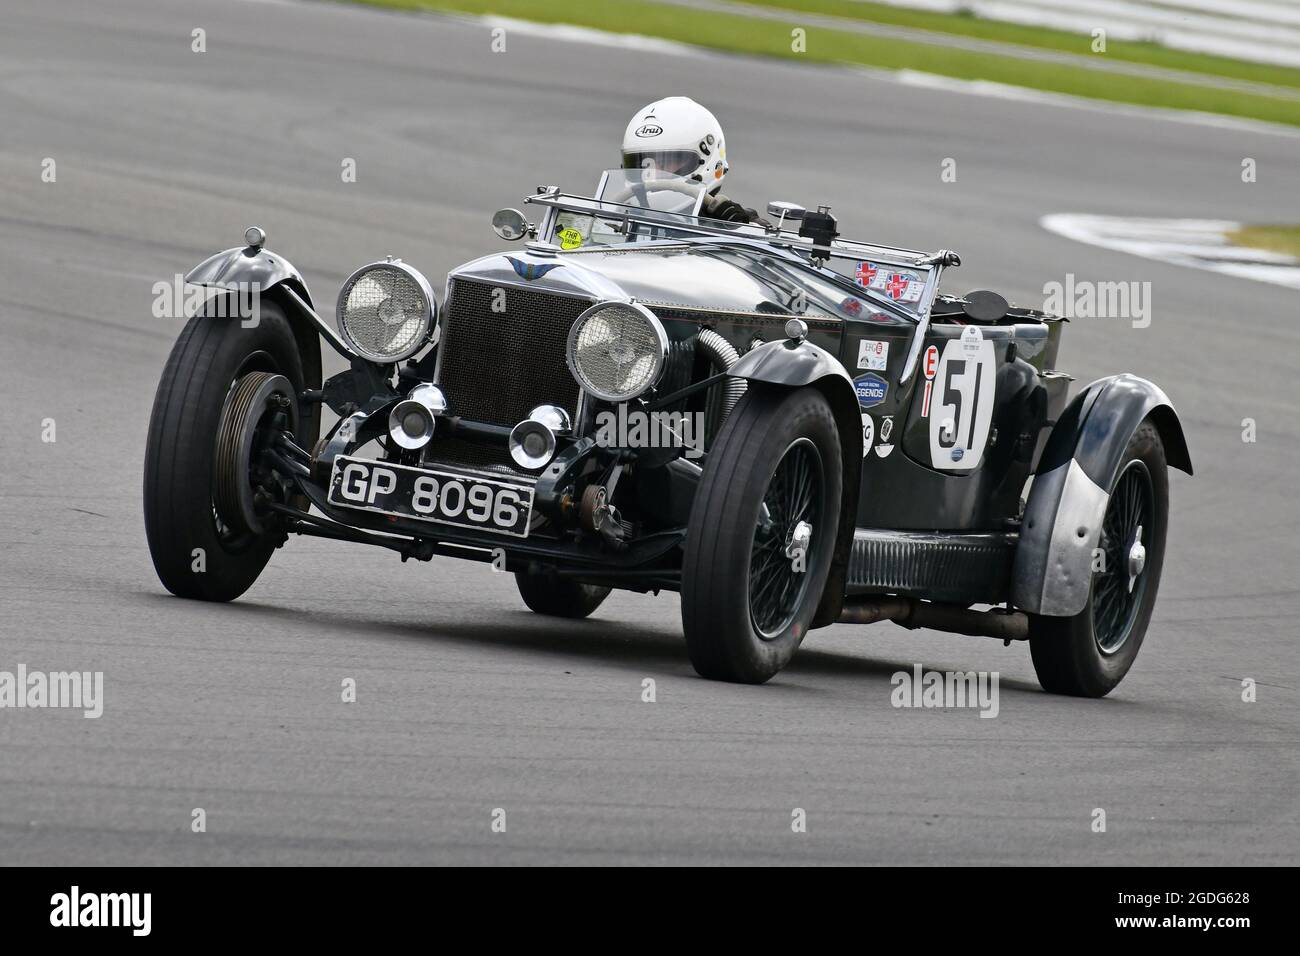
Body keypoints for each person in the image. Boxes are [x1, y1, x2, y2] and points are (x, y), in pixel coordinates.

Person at [621, 96, 764, 224]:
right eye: (641, 164)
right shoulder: (611, 218)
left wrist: (736, 228)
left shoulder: (739, 228)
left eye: (666, 163)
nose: (652, 174)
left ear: (708, 160)